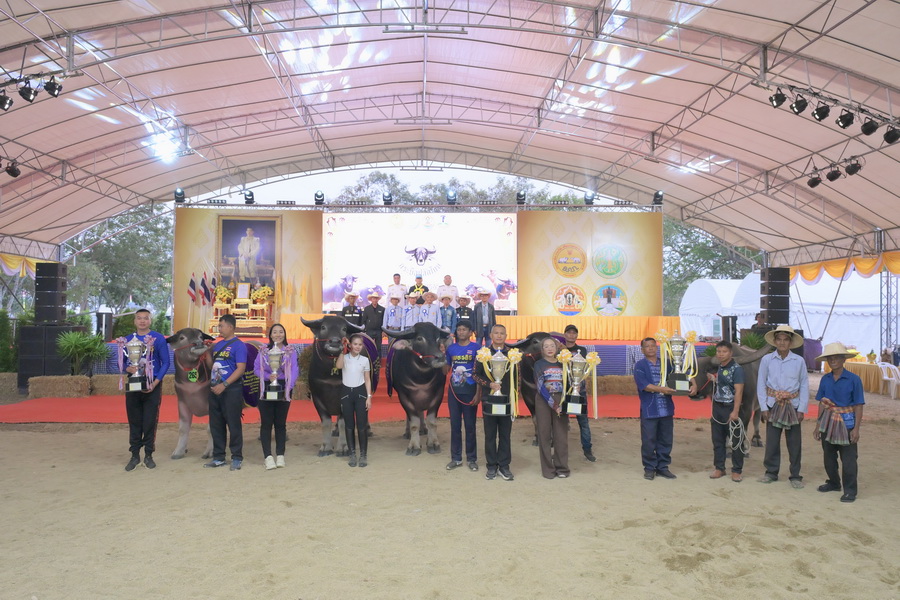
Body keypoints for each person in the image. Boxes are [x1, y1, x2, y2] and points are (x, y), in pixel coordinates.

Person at [633, 337, 694, 480]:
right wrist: (662, 389)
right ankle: (649, 468)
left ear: (657, 347)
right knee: (649, 440)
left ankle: (663, 467)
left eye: (653, 345)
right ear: (642, 350)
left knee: (666, 439)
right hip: (650, 409)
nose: (650, 348)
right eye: (647, 346)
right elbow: (644, 385)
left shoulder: (667, 363)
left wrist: (693, 383)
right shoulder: (640, 366)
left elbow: (683, 372)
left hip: (666, 409)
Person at [757, 325, 809, 488]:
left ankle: (795, 475)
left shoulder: (798, 361)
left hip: (793, 405)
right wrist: (764, 407)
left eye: (785, 339)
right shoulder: (767, 360)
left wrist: (802, 409)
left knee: (794, 442)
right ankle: (771, 472)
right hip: (773, 404)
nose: (782, 342)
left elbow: (804, 385)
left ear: (790, 342)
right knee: (772, 441)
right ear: (774, 341)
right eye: (779, 339)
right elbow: (761, 383)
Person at [814, 342, 865, 503]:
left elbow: (858, 405)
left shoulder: (854, 380)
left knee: (849, 459)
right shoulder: (825, 379)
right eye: (830, 358)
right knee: (828, 457)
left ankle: (850, 490)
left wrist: (856, 429)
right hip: (828, 422)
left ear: (844, 359)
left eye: (836, 357)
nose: (833, 361)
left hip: (847, 424)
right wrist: (818, 425)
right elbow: (822, 402)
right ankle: (834, 483)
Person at [122, 308, 170, 471]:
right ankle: (134, 455)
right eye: (139, 318)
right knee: (134, 420)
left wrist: (155, 383)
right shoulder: (128, 340)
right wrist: (126, 369)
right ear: (134, 321)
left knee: (150, 421)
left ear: (150, 320)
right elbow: (121, 362)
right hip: (134, 382)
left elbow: (166, 363)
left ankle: (149, 454)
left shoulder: (158, 338)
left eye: (145, 318)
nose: (142, 321)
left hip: (152, 383)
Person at [204, 314, 248, 470]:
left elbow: (240, 369)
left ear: (230, 327)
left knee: (233, 424)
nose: (219, 328)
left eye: (221, 326)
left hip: (231, 389)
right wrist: (207, 353)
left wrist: (225, 384)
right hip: (215, 389)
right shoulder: (217, 346)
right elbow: (212, 367)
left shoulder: (239, 346)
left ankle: (236, 457)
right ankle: (219, 457)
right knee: (216, 424)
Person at [253, 323, 297, 470]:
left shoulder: (290, 351)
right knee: (266, 423)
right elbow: (256, 368)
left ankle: (280, 455)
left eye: (281, 332)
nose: (278, 335)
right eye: (275, 332)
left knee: (280, 423)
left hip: (284, 387)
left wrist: (288, 387)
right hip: (266, 387)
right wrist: (268, 376)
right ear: (270, 335)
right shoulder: (263, 351)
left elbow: (294, 369)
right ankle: (268, 457)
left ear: (285, 334)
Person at [473, 324, 514, 481]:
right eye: (496, 333)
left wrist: (515, 396)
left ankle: (504, 465)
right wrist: (489, 384)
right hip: (488, 399)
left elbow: (517, 377)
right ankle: (491, 465)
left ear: (506, 336)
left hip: (506, 400)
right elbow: (475, 375)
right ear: (491, 335)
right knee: (490, 434)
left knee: (505, 434)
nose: (499, 336)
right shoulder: (483, 354)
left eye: (502, 333)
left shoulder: (512, 354)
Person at [705, 341, 745, 482]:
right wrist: (713, 379)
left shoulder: (737, 369)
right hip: (717, 408)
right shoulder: (719, 367)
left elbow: (739, 391)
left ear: (731, 353)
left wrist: (735, 411)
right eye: (719, 351)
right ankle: (719, 468)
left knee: (736, 441)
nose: (721, 354)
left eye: (724, 351)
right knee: (718, 440)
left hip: (730, 407)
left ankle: (736, 470)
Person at [444, 321, 480, 472]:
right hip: (454, 392)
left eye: (464, 329)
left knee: (470, 426)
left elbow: (480, 373)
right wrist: (440, 356)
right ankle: (456, 458)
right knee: (455, 426)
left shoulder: (477, 348)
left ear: (470, 332)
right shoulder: (451, 349)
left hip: (470, 391)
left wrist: (478, 393)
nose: (461, 332)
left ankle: (471, 459)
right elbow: (445, 370)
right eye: (459, 330)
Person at [533, 337, 570, 479]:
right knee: (544, 435)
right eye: (546, 346)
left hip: (560, 399)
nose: (549, 349)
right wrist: (553, 405)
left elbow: (568, 382)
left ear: (557, 348)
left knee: (561, 435)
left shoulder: (563, 363)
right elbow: (540, 386)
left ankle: (562, 468)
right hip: (544, 400)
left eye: (552, 346)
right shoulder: (539, 364)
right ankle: (548, 469)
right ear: (542, 349)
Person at [336, 334, 372, 468]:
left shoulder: (365, 360)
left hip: (360, 394)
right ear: (350, 344)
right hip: (346, 394)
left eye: (360, 344)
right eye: (355, 344)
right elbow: (339, 366)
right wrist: (342, 349)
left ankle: (363, 455)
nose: (357, 347)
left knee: (362, 426)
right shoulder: (344, 358)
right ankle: (352, 454)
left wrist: (369, 397)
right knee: (349, 425)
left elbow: (367, 379)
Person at [563, 324, 595, 462]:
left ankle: (587, 450)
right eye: (569, 333)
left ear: (577, 335)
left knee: (583, 422)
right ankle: (560, 451)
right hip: (563, 391)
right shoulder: (560, 351)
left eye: (574, 333)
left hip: (579, 390)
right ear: (565, 335)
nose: (571, 335)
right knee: (560, 423)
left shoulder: (582, 350)